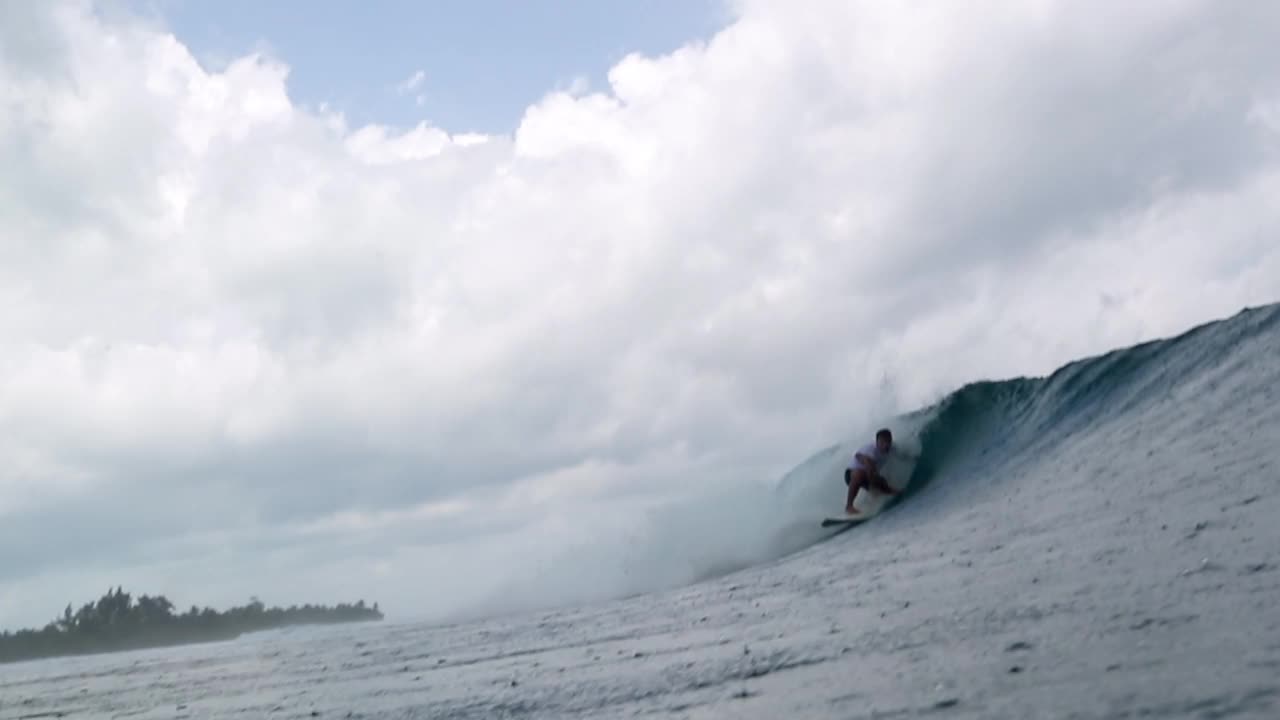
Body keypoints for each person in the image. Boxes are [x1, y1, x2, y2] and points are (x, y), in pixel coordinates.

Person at [844, 428, 900, 515]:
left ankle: (871, 502)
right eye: (882, 443)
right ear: (877, 442)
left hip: (870, 476)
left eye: (888, 442)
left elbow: (902, 455)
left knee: (889, 489)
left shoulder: (892, 448)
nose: (885, 445)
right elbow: (858, 456)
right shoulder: (871, 449)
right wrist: (873, 486)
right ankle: (849, 506)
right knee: (860, 474)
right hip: (851, 475)